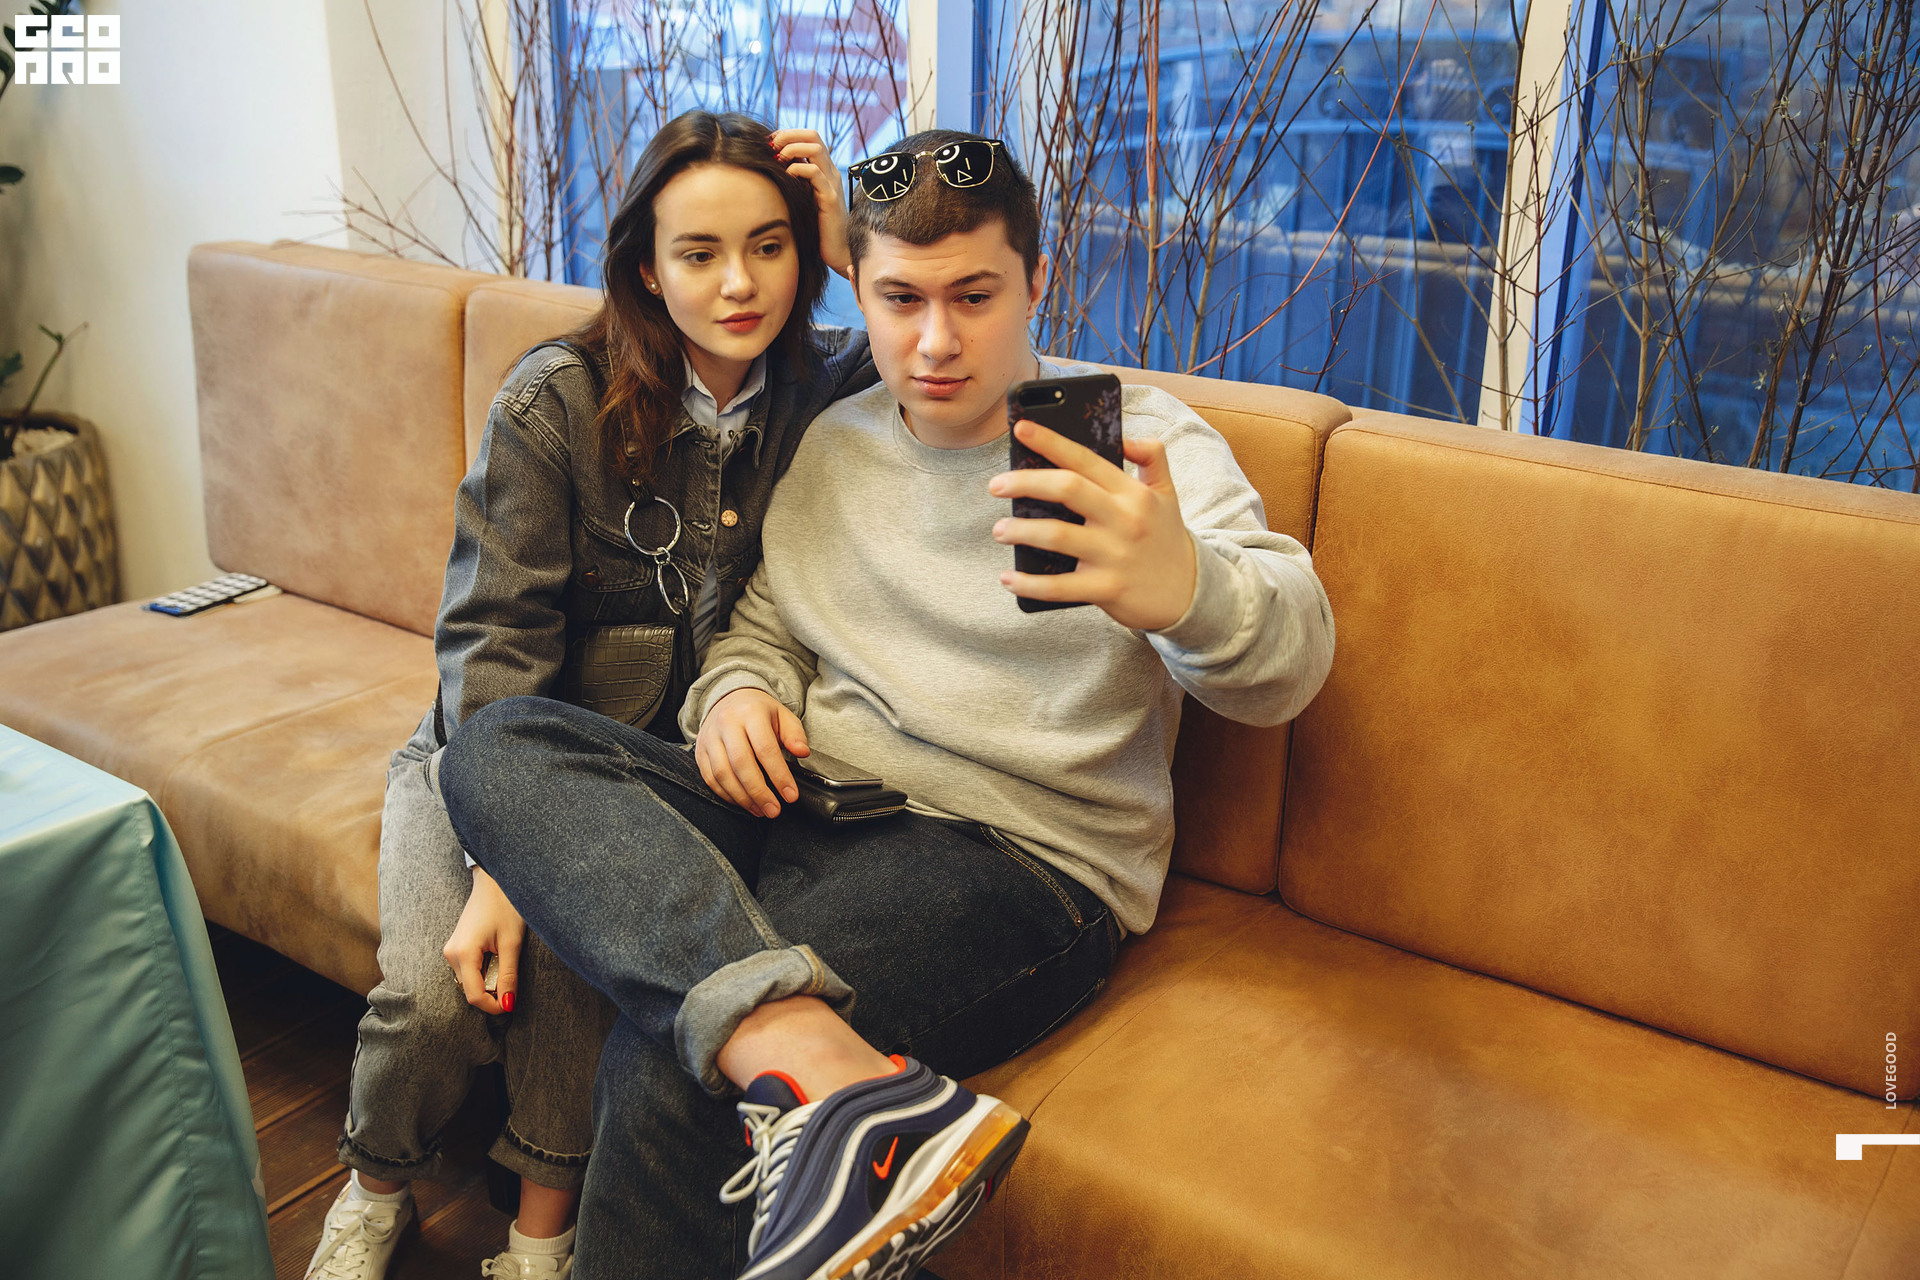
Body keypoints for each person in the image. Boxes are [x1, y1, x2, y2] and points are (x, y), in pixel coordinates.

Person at [435, 128, 1337, 1280]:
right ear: (857, 288)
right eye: (901, 299)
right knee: (499, 746)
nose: (936, 340)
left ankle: (797, 1060)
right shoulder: (836, 441)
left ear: (1036, 281)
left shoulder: (1138, 444)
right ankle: (819, 1060)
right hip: (805, 802)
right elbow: (766, 626)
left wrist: (1185, 588)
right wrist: (738, 694)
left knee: (671, 1061)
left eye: (975, 296)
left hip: (1015, 856)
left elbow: (1291, 660)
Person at [304, 111, 873, 1280]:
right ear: (646, 267)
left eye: (771, 247)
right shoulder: (556, 399)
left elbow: (954, 352)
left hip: (651, 780)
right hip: (491, 755)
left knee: (588, 978)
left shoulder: (827, 389)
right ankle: (373, 1189)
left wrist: (855, 247)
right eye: (700, 252)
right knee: (435, 995)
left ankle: (539, 1243)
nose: (739, 283)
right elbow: (492, 640)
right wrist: (501, 867)